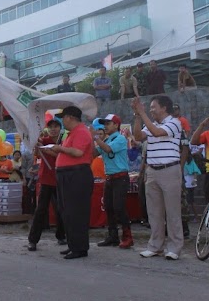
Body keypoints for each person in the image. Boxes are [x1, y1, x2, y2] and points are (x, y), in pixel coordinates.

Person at [132, 95, 183, 260]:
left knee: (172, 212)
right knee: (154, 212)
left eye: (154, 107)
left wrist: (142, 113)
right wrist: (138, 116)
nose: (151, 110)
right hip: (152, 171)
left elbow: (157, 133)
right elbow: (138, 136)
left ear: (164, 108)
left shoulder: (174, 122)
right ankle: (155, 246)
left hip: (170, 170)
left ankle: (174, 248)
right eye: (150, 108)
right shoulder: (151, 124)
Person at [51, 106, 94, 260]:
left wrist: (61, 149)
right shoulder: (71, 134)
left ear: (70, 117)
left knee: (76, 212)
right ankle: (73, 244)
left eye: (63, 117)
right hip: (66, 174)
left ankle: (80, 247)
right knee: (66, 211)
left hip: (77, 174)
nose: (62, 121)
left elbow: (78, 152)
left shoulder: (82, 132)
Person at [93, 114, 133, 249]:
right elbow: (94, 152)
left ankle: (128, 236)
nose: (105, 126)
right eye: (104, 124)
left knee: (119, 207)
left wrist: (95, 137)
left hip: (120, 177)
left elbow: (107, 149)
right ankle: (113, 236)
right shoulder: (108, 139)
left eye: (108, 123)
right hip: (110, 177)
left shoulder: (120, 138)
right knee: (109, 207)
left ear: (116, 125)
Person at [27, 118, 66, 251]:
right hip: (46, 180)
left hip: (60, 179)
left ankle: (61, 236)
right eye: (51, 127)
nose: (53, 129)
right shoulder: (44, 140)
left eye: (56, 126)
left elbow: (63, 156)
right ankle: (33, 240)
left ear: (60, 128)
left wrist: (51, 152)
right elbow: (37, 153)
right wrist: (36, 143)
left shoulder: (64, 142)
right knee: (41, 210)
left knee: (61, 209)